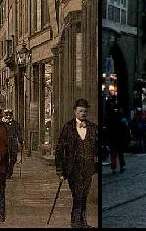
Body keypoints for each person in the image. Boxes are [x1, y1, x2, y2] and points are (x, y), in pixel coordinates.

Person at [55, 98, 97, 229]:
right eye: (80, 111)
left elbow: (96, 147)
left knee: (84, 195)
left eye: (85, 111)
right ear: (75, 111)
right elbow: (60, 149)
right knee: (78, 195)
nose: (83, 113)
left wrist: (95, 165)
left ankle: (82, 222)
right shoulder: (68, 127)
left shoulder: (92, 127)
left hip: (88, 168)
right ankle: (76, 223)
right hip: (73, 168)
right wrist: (60, 171)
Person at [2, 109, 24, 179]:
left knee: (13, 158)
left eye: (10, 115)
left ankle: (9, 172)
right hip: (4, 143)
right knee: (4, 158)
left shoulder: (15, 124)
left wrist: (21, 141)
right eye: (7, 115)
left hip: (13, 143)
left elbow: (19, 133)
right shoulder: (1, 124)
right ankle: (5, 172)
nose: (8, 116)